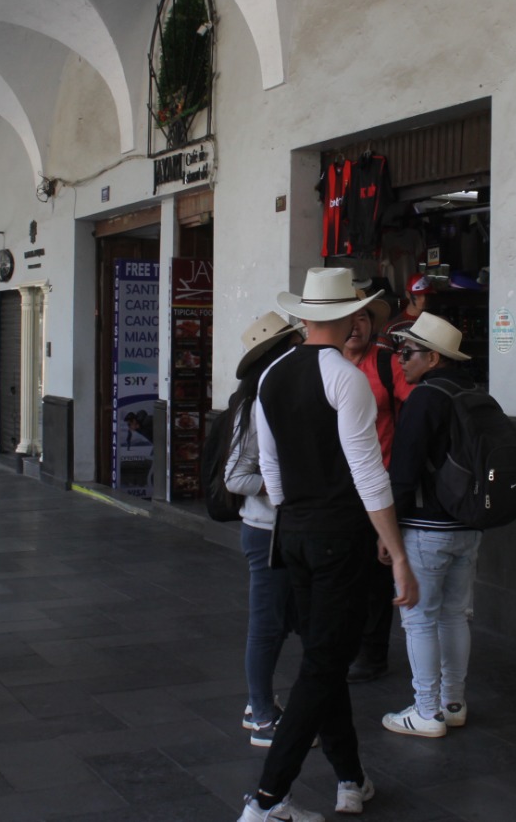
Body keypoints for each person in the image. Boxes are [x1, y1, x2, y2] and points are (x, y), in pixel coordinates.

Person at [236, 267, 418, 822]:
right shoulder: (347, 377)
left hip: (291, 531)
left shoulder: (270, 377)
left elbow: (271, 470)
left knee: (325, 657)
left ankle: (350, 779)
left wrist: (300, 512)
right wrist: (398, 551)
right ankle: (267, 801)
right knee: (320, 666)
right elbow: (368, 471)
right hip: (339, 537)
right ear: (350, 318)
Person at [382, 314, 482, 739]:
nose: (401, 361)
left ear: (433, 357)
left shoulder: (424, 398)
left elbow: (403, 472)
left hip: (426, 527)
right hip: (468, 524)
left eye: (408, 353)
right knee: (455, 616)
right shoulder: (473, 393)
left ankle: (426, 710)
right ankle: (452, 703)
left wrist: (388, 532)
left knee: (419, 619)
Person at [223, 312, 305, 748]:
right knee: (266, 626)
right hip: (266, 531)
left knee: (280, 622)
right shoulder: (257, 404)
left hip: (281, 530)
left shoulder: (277, 396)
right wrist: (288, 491)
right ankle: (260, 713)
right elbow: (235, 477)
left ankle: (262, 704)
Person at [341, 290, 413, 684]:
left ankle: (372, 652)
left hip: (377, 482)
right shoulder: (322, 365)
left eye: (364, 319)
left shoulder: (387, 364)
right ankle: (343, 643)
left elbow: (415, 408)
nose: (356, 326)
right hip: (334, 488)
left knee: (375, 572)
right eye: (349, 319)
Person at [379, 273, 431, 349]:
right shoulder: (392, 328)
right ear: (408, 294)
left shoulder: (434, 323)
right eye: (418, 295)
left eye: (427, 295)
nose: (423, 299)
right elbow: (385, 358)